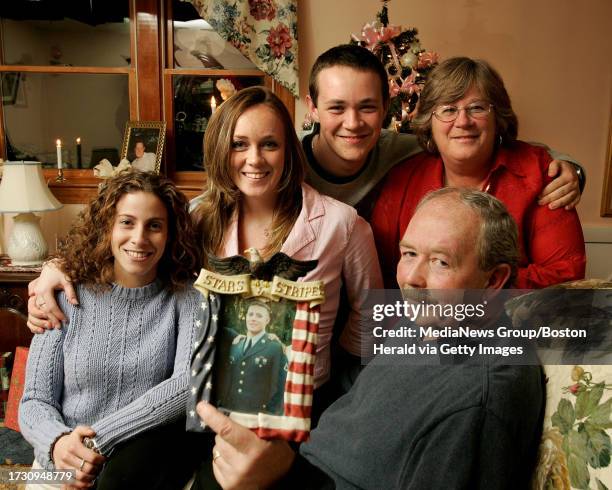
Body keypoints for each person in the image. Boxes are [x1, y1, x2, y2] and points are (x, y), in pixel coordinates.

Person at [26, 86, 382, 404]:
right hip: (209, 398)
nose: (254, 159)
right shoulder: (196, 217)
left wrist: (325, 364)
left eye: (269, 144)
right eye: (239, 145)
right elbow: (129, 255)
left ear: (288, 149)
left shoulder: (343, 224)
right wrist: (53, 270)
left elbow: (373, 319)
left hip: (298, 403)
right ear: (220, 149)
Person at [196, 188, 545, 490]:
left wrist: (280, 476)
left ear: (494, 280)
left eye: (440, 262)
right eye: (409, 254)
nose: (411, 278)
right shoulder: (429, 320)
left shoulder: (479, 401)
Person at [19, 171, 203, 489]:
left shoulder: (187, 299)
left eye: (154, 225)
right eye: (127, 222)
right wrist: (59, 446)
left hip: (139, 463)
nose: (140, 238)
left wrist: (97, 441)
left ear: (170, 234)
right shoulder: (63, 294)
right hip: (61, 458)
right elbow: (35, 398)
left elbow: (185, 384)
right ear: (108, 227)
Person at [370, 56, 586, 289]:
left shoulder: (540, 173)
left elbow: (566, 277)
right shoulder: (403, 178)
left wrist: (473, 288)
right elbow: (381, 272)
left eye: (477, 108)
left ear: (497, 117)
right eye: (448, 109)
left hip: (516, 322)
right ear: (429, 121)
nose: (463, 121)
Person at [302, 44, 584, 218]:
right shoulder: (283, 156)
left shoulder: (399, 149)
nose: (353, 123)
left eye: (367, 107)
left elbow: (488, 142)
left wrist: (571, 169)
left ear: (386, 106)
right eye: (336, 108)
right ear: (312, 108)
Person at [216, 300, 287, 415]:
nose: (253, 318)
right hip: (229, 410)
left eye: (259, 316)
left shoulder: (275, 348)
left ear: (267, 320)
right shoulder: (236, 345)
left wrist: (270, 414)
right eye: (250, 314)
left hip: (258, 415)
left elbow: (281, 387)